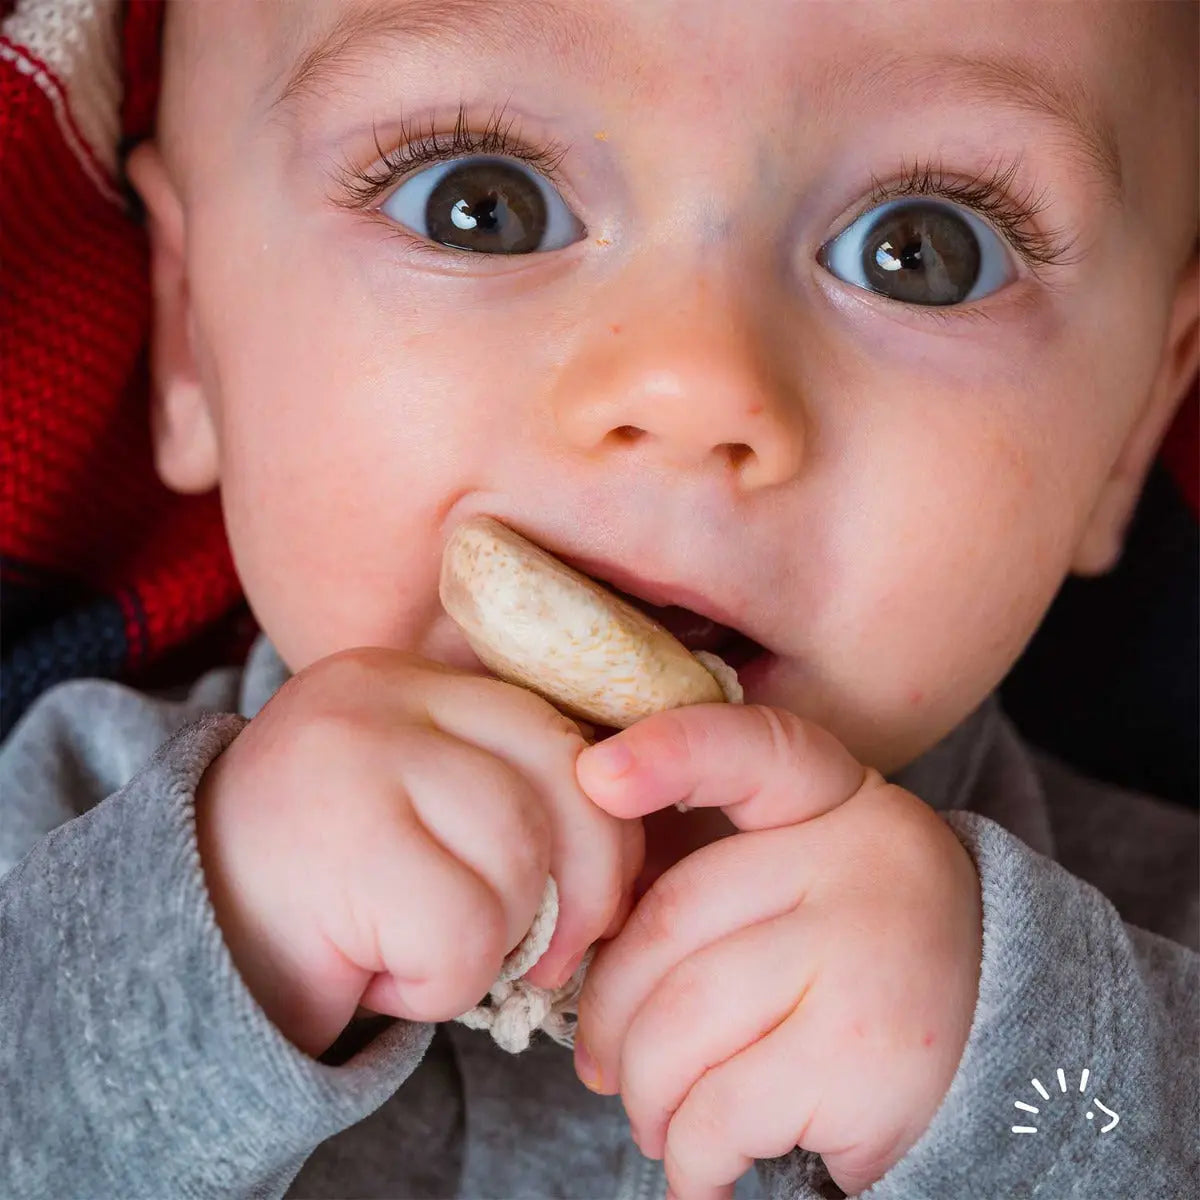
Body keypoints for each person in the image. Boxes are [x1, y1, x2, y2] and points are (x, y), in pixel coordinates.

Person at [2, 1, 1197, 1197]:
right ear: (194, 331)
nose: (697, 384)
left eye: (922, 251)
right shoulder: (60, 838)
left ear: (1132, 420)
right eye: (481, 205)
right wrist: (216, 956)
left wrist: (1013, 1087)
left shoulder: (1149, 979)